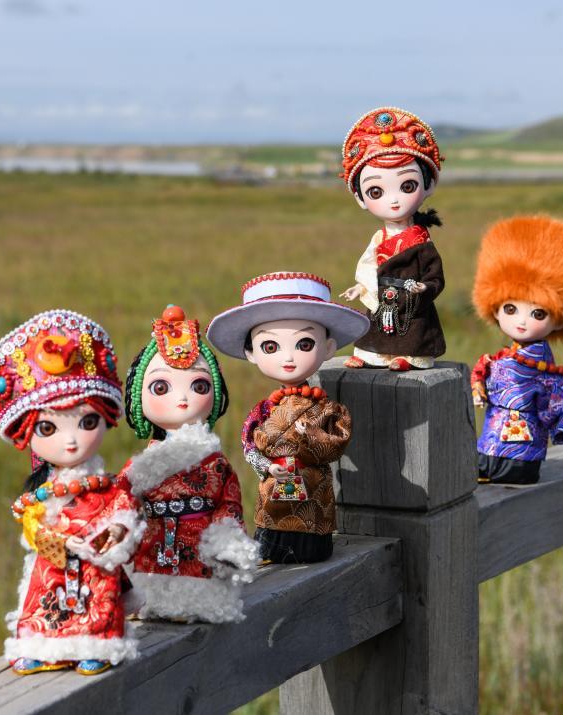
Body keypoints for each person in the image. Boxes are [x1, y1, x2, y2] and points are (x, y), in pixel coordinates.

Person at [0, 309, 143, 676]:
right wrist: (55, 540)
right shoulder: (42, 495)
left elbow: (124, 512)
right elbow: (33, 529)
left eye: (87, 422)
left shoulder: (108, 487)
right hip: (54, 565)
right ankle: (41, 646)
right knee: (43, 600)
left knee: (99, 601)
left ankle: (97, 643)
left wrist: (116, 531)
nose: (70, 441)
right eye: (48, 428)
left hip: (95, 564)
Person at [207, 273, 370, 563]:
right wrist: (267, 467)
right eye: (270, 347)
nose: (288, 358)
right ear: (251, 353)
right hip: (275, 484)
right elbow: (249, 446)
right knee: (271, 529)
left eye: (304, 344)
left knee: (311, 536)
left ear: (328, 348)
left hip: (313, 487)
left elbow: (337, 444)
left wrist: (311, 435)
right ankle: (271, 549)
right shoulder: (264, 410)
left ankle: (311, 550)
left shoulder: (329, 410)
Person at [120, 305, 258, 623]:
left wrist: (226, 540)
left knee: (199, 592)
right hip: (151, 556)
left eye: (199, 386)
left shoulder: (214, 463)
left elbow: (228, 505)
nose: (182, 399)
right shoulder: (141, 465)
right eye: (161, 388)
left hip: (199, 554)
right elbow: (120, 502)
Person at [470, 216, 563, 484]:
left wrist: (561, 424)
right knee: (483, 462)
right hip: (490, 438)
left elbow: (559, 401)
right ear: (494, 308)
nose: (521, 321)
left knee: (514, 471)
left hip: (523, 448)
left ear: (560, 320)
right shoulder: (500, 359)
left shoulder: (547, 374)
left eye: (538, 313)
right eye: (510, 309)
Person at [338, 107, 446, 371]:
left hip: (411, 302)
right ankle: (372, 356)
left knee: (412, 331)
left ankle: (409, 357)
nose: (394, 200)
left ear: (429, 185)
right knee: (375, 331)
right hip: (383, 298)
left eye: (407, 186)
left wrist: (424, 288)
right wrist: (360, 288)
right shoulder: (379, 238)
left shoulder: (421, 240)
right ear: (360, 198)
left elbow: (435, 277)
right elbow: (368, 268)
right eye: (376, 191)